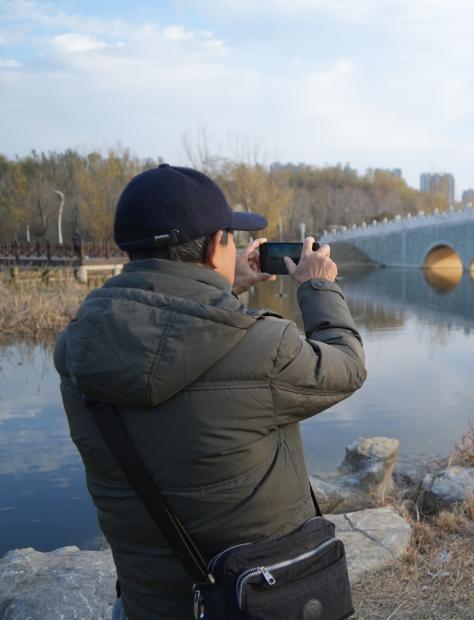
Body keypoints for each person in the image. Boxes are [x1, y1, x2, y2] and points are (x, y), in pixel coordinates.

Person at [54, 163, 366, 619]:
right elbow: (347, 364)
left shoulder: (79, 347)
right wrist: (318, 286)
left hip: (149, 605)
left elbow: (170, 338)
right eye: (230, 237)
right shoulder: (262, 348)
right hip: (252, 600)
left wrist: (225, 284)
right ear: (214, 244)